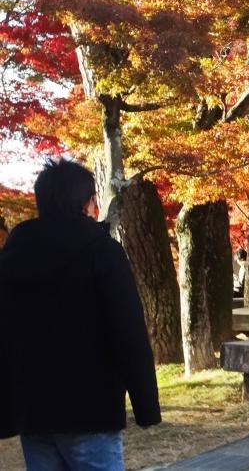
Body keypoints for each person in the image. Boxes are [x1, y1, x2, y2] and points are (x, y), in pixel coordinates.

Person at [0, 159, 161, 470]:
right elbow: (128, 332)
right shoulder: (103, 252)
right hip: (92, 409)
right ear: (88, 203)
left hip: (33, 410)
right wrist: (146, 406)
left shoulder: (12, 258)